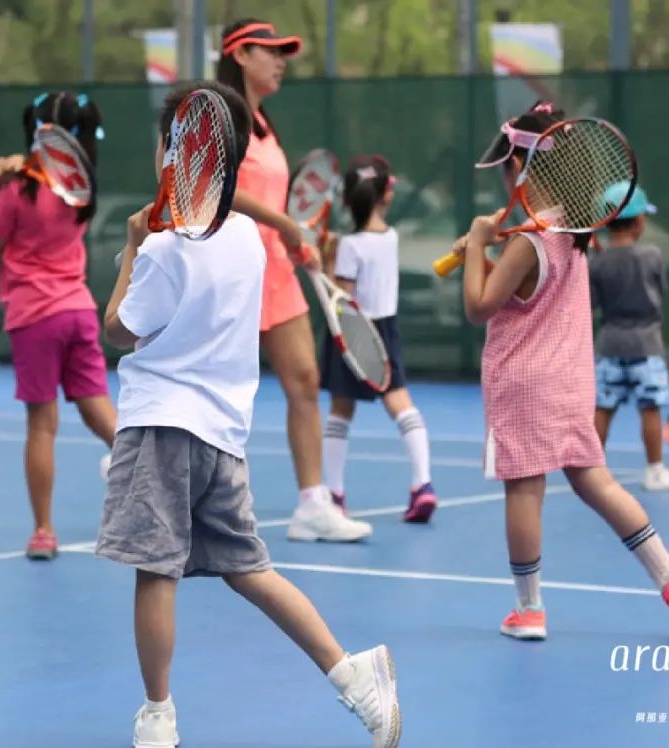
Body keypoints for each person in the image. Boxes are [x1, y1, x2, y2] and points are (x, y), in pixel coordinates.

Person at [96, 81, 400, 748]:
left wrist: (127, 252)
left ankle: (157, 718)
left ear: (178, 155)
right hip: (222, 441)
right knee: (252, 572)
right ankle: (354, 676)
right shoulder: (247, 240)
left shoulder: (164, 247)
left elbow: (118, 328)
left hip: (159, 429)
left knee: (156, 572)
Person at [453, 101, 669, 643]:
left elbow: (479, 307)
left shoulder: (526, 241)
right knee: (596, 482)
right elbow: (528, 294)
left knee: (523, 490)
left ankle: (529, 609)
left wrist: (476, 246)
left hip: (524, 384)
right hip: (569, 383)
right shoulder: (572, 234)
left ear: (519, 169)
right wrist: (489, 253)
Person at [217, 18, 372, 542]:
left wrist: (298, 238)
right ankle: (202, 494)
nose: (281, 61)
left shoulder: (264, 123)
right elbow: (214, 188)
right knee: (221, 392)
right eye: (271, 52)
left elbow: (278, 203)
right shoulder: (220, 115)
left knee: (305, 380)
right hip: (230, 270)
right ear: (240, 54)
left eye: (285, 53)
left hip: (277, 270)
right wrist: (284, 222)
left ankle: (312, 503)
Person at [0, 92, 116, 560]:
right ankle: (160, 482)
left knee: (42, 424)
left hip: (34, 315)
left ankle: (43, 531)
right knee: (101, 412)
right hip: (78, 311)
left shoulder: (18, 189)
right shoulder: (85, 191)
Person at [321, 155, 438, 522]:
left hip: (353, 331)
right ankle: (423, 484)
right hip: (385, 329)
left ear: (348, 200)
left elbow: (341, 298)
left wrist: (324, 263)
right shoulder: (390, 237)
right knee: (401, 403)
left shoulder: (349, 247)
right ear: (385, 197)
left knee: (341, 410)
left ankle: (334, 495)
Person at [589, 181, 669, 490]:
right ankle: (655, 471)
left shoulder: (597, 262)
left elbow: (592, 303)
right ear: (640, 221)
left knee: (603, 408)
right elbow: (659, 291)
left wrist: (601, 261)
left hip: (609, 344)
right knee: (650, 408)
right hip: (647, 345)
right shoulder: (652, 256)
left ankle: (594, 470)